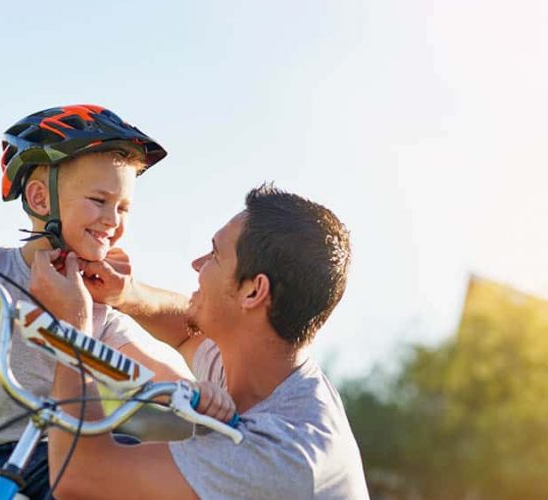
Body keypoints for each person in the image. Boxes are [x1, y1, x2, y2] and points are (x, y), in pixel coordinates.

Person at [0, 105, 189, 499]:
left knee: (123, 468)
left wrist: (197, 394)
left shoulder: (98, 299)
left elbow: (153, 370)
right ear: (40, 198)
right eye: (99, 199)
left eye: (123, 207)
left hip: (58, 452)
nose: (113, 219)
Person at [30, 183, 370, 499]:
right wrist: (125, 294)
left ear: (253, 291)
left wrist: (72, 328)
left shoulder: (285, 451)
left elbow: (80, 477)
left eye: (214, 254)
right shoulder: (263, 369)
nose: (197, 264)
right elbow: (187, 331)